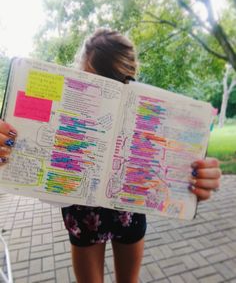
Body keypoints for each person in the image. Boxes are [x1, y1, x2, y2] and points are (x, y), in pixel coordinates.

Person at [0, 28, 221, 283]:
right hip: (82, 212)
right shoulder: (59, 112)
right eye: (91, 84)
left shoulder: (155, 116)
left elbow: (172, 175)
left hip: (128, 209)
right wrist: (11, 150)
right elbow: (36, 175)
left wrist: (193, 181)